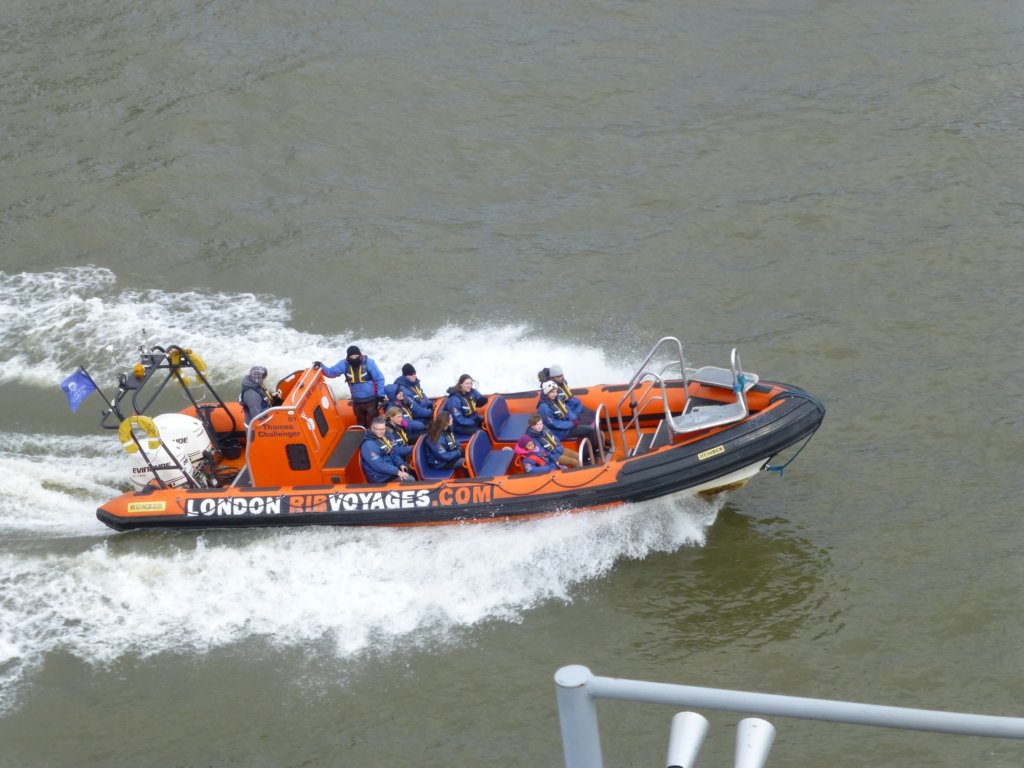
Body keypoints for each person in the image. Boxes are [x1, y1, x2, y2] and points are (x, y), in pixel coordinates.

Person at [314, 345, 386, 429]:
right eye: (352, 357)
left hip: (371, 400)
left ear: (360, 355)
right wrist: (321, 366)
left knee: (373, 422)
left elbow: (379, 378)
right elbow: (331, 373)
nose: (354, 358)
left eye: (356, 356)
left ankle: (373, 437)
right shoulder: (344, 364)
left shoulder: (369, 362)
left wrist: (380, 396)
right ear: (348, 357)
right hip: (356, 401)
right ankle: (362, 436)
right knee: (360, 421)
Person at [538, 380, 602, 459]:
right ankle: (591, 454)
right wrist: (572, 424)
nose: (554, 394)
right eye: (552, 392)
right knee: (589, 430)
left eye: (555, 392)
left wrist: (574, 419)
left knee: (587, 428)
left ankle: (590, 453)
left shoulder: (556, 399)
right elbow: (554, 424)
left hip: (567, 425)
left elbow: (567, 410)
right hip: (559, 432)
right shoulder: (544, 408)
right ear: (546, 393)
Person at [360, 417, 412, 483]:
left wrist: (400, 464)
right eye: (379, 429)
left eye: (383, 429)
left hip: (390, 469)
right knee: (410, 480)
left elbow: (392, 452)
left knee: (412, 469)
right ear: (372, 429)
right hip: (380, 477)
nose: (381, 432)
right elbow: (378, 465)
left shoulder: (383, 437)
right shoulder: (369, 445)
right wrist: (397, 472)